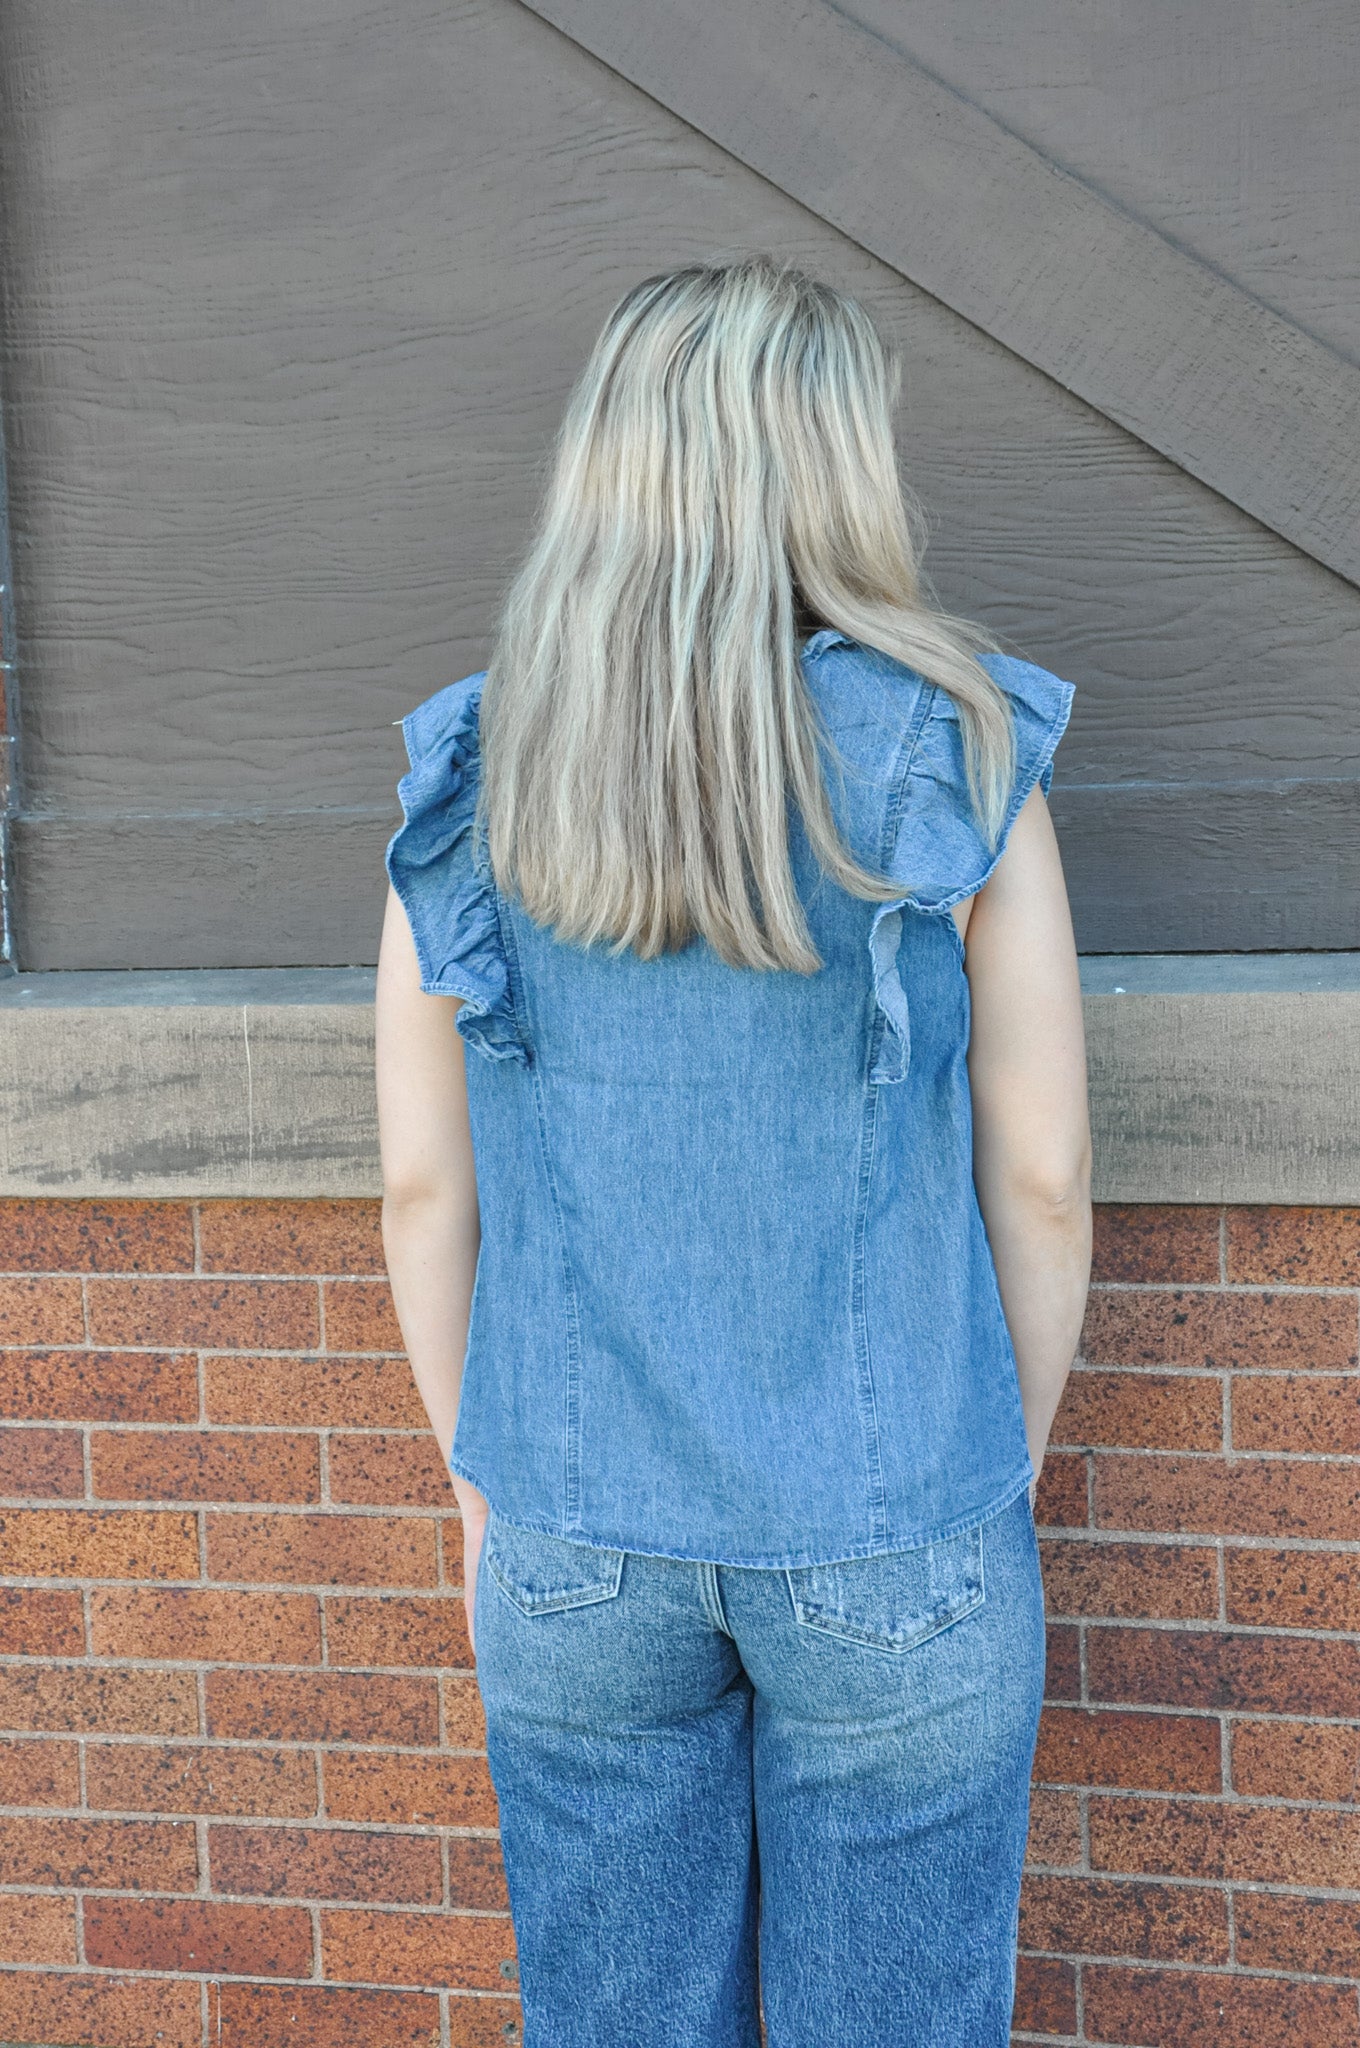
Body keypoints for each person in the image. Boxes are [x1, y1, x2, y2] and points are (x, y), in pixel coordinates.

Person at [375, 256, 1092, 2048]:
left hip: (572, 1533)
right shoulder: (954, 745)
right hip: (894, 1519)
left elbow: (423, 1189)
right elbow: (1043, 1174)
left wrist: (483, 1491)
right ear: (835, 462)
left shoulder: (477, 768)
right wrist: (987, 1467)